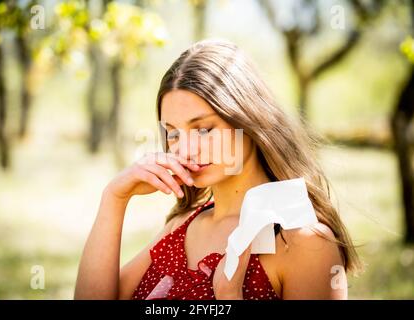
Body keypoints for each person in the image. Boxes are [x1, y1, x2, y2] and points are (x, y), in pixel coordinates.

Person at [74, 38, 361, 300]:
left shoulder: (304, 243)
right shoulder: (180, 228)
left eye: (203, 130)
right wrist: (114, 199)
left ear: (249, 120)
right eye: (173, 134)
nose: (184, 150)